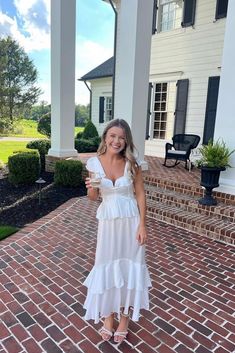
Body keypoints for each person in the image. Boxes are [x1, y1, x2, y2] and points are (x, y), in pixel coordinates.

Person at [83, 118, 151, 343]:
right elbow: (94, 198)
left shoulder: (133, 162)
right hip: (109, 223)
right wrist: (91, 189)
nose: (117, 141)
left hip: (131, 221)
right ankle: (108, 317)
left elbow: (140, 193)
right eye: (113, 136)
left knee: (129, 268)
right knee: (107, 265)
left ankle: (124, 318)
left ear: (126, 140)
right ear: (105, 137)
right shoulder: (94, 163)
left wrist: (142, 224)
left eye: (122, 137)